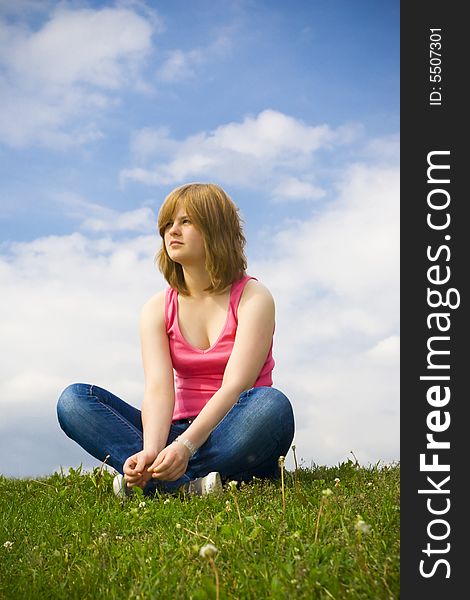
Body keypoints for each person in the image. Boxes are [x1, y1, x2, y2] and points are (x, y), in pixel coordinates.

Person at [57, 183, 295, 497]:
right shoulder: (157, 308)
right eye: (167, 224)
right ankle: (180, 482)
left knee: (272, 405)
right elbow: (158, 389)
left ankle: (161, 484)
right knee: (74, 401)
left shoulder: (253, 297)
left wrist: (185, 447)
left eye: (185, 221)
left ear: (216, 229)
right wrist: (152, 450)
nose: (172, 231)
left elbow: (236, 385)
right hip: (175, 431)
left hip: (234, 429)